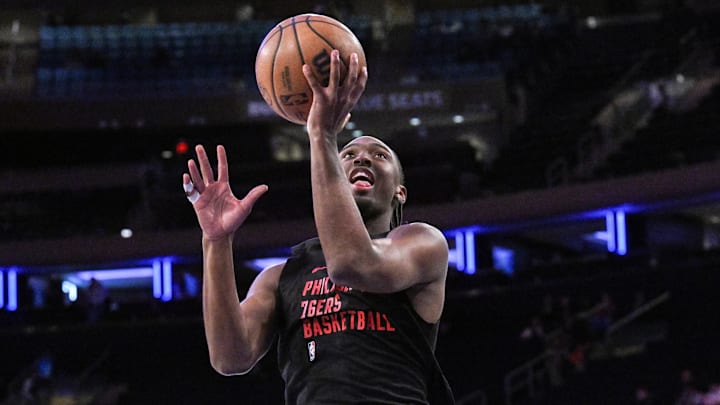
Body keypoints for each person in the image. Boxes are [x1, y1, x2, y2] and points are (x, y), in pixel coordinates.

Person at [182, 49, 455, 404]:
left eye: (380, 155)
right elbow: (229, 358)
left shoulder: (423, 243)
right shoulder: (282, 276)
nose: (362, 156)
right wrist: (216, 242)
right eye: (350, 154)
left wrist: (323, 136)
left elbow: (352, 264)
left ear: (400, 191)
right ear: (333, 176)